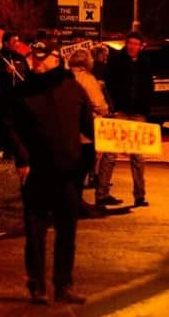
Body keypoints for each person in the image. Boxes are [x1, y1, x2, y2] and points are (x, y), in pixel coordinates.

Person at [4, 40, 92, 304]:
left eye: (43, 58)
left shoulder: (74, 88)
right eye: (34, 58)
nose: (37, 62)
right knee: (35, 232)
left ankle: (64, 285)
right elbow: (10, 128)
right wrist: (22, 158)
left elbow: (89, 128)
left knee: (67, 233)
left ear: (57, 59)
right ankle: (38, 286)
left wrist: (86, 163)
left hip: (68, 174)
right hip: (36, 173)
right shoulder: (22, 92)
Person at [95, 31, 153, 207]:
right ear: (126, 44)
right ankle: (102, 194)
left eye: (136, 44)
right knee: (111, 153)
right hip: (120, 111)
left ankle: (139, 195)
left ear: (141, 46)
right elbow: (107, 85)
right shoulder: (116, 62)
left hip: (138, 113)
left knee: (137, 157)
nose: (132, 47)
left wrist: (145, 109)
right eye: (130, 43)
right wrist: (113, 106)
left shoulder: (145, 63)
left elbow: (148, 87)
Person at [68, 49, 109, 217]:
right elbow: (99, 104)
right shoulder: (87, 79)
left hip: (67, 130)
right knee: (83, 167)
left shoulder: (65, 78)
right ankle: (76, 203)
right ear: (87, 62)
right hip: (85, 132)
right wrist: (104, 111)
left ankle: (72, 201)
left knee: (71, 170)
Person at [0, 31, 29, 158]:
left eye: (18, 41)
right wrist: (5, 72)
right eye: (14, 41)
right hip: (1, 98)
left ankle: (11, 150)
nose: (18, 44)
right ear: (5, 43)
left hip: (18, 98)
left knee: (16, 125)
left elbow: (27, 74)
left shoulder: (20, 58)